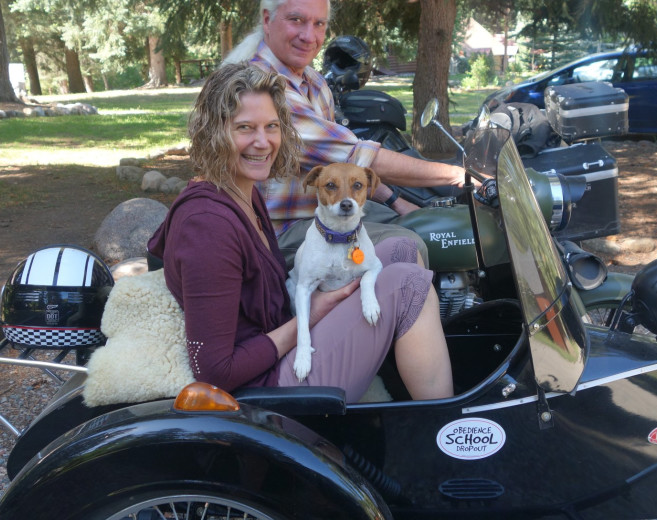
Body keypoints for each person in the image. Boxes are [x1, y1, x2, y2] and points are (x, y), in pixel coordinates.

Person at [147, 62, 453, 403]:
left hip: (283, 331)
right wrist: (314, 313)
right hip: (272, 383)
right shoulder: (206, 226)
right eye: (245, 128)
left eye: (272, 126)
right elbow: (216, 371)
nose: (263, 142)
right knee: (410, 283)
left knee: (401, 250)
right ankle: (444, 425)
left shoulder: (242, 192)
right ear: (213, 132)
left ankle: (402, 380)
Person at [223, 0, 468, 268]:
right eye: (296, 20)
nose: (308, 36)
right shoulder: (262, 84)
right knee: (408, 245)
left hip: (327, 209)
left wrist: (397, 202)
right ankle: (402, 307)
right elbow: (361, 156)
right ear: (268, 20)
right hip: (279, 231)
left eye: (318, 24)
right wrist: (458, 174)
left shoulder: (314, 83)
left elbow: (343, 166)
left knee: (425, 223)